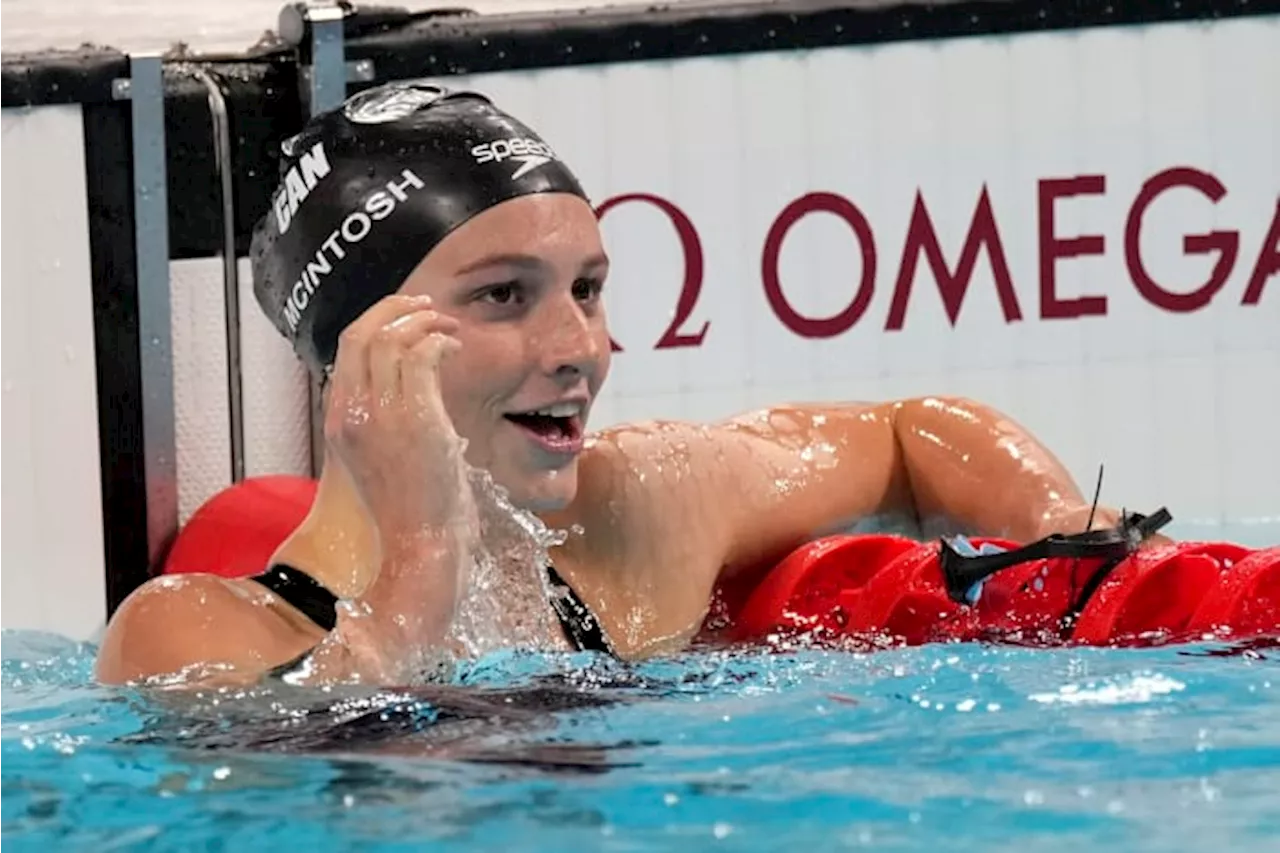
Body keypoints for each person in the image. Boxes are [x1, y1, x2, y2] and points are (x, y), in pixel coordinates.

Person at [93, 81, 1151, 689]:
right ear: (358, 342)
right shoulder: (192, 635)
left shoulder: (638, 509)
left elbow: (902, 432)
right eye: (504, 295)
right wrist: (424, 552)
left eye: (587, 289)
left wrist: (1051, 519)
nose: (580, 347)